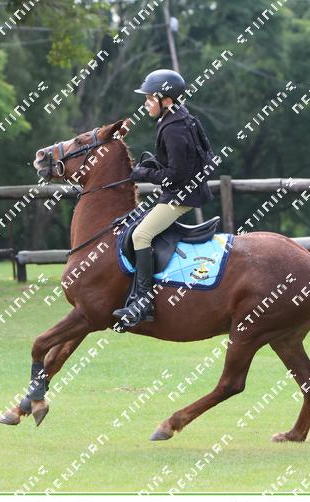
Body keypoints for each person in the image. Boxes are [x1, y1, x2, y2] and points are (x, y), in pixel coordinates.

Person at [112, 68, 214, 328]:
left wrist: (143, 173)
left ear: (166, 100)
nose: (146, 104)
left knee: (140, 235)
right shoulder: (180, 118)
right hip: (180, 192)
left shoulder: (174, 129)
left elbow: (176, 174)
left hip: (180, 197)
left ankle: (143, 302)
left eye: (149, 99)